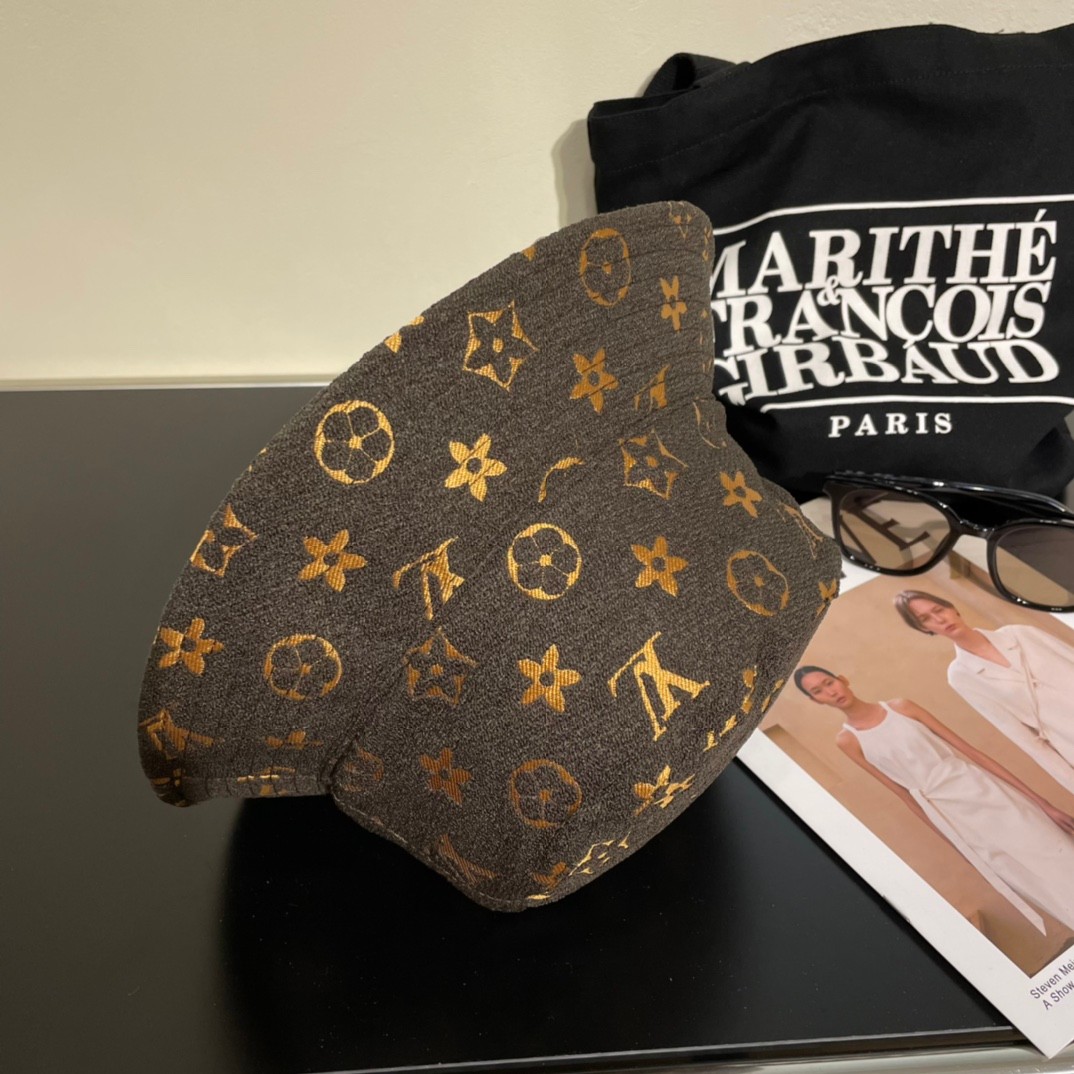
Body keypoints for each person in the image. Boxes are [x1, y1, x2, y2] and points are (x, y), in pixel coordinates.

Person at [794, 665, 1074, 934]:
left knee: (1054, 848)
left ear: (842, 679)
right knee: (1026, 876)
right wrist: (959, 848)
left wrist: (1043, 804)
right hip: (951, 816)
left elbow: (972, 752)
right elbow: (903, 795)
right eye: (818, 691)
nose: (830, 692)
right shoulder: (848, 741)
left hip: (982, 789)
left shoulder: (901, 707)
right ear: (815, 701)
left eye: (829, 682)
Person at [893, 589, 1074, 796]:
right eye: (925, 619)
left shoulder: (1020, 634)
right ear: (923, 628)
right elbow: (1021, 736)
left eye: (939, 610)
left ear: (952, 608)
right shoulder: (961, 675)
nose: (939, 619)